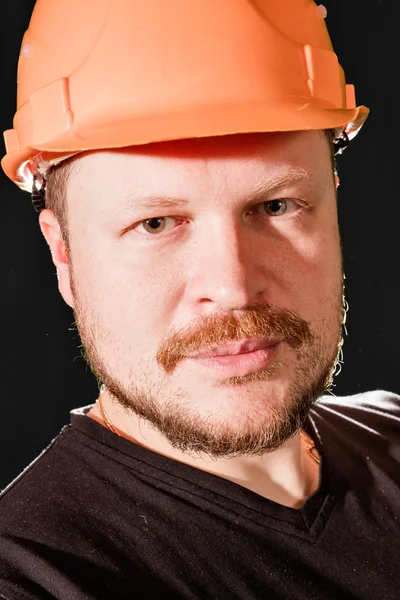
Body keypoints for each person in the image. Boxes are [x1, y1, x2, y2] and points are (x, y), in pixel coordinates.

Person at [0, 0, 399, 598]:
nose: (234, 288)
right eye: (157, 223)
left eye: (275, 206)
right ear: (63, 254)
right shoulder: (34, 578)